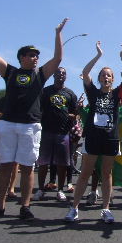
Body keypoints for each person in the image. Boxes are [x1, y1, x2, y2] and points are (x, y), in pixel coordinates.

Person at [0, 13, 66, 220]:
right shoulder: (10, 72)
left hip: (30, 126)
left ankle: (25, 207)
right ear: (21, 58)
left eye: (36, 55)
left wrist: (57, 34)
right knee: (5, 166)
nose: (35, 57)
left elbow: (58, 58)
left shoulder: (40, 75)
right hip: (8, 124)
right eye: (30, 54)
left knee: (28, 168)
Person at [64, 41, 122, 223]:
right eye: (103, 75)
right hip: (93, 137)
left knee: (107, 173)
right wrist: (98, 55)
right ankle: (74, 208)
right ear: (99, 78)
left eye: (109, 75)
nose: (106, 77)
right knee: (86, 172)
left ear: (113, 79)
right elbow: (85, 73)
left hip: (110, 138)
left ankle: (106, 208)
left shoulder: (117, 93)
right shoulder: (93, 92)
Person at [33, 67, 77, 202]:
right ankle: (40, 189)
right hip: (46, 131)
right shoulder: (45, 92)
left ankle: (60, 190)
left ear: (66, 76)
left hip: (63, 133)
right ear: (54, 75)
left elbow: (75, 113)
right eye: (58, 73)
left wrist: (66, 115)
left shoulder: (70, 94)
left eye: (63, 73)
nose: (61, 75)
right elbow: (39, 109)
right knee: (43, 163)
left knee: (62, 164)